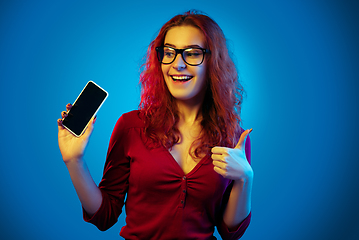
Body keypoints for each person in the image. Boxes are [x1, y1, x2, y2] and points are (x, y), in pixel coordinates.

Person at [57, 10, 253, 240]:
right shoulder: (131, 126)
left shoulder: (234, 139)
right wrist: (74, 161)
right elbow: (104, 216)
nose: (177, 64)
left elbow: (230, 232)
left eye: (191, 54)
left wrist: (245, 178)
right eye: (169, 53)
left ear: (213, 62)